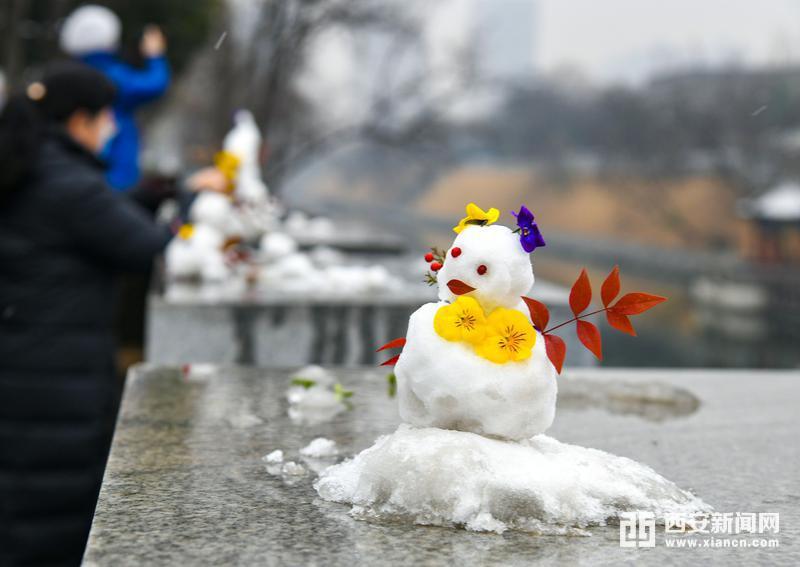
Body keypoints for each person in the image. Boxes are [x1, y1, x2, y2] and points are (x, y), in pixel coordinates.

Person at [0, 62, 176, 566]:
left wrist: (144, 196)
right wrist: (185, 210)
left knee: (20, 516)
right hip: (54, 391)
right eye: (107, 117)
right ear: (79, 120)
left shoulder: (34, 166)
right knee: (47, 525)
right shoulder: (70, 184)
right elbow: (145, 246)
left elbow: (91, 221)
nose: (113, 127)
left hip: (25, 373)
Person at [60, 4, 170, 191]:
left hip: (75, 173)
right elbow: (155, 84)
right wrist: (155, 55)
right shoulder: (114, 76)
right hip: (117, 173)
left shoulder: (66, 76)